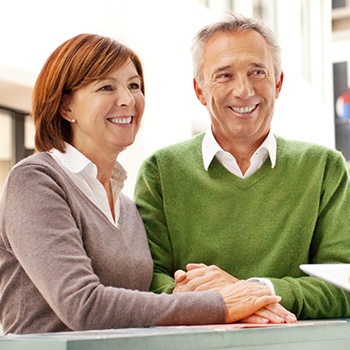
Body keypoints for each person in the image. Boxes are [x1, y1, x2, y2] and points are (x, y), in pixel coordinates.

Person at [0, 33, 285, 335]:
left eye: (134, 85)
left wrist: (193, 295)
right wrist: (221, 304)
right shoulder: (35, 181)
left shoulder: (126, 206)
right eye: (106, 87)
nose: (127, 100)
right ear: (66, 107)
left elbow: (135, 304)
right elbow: (84, 305)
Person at [134, 13, 350, 321]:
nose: (244, 90)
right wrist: (229, 304)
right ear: (199, 91)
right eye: (224, 75)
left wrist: (250, 290)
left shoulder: (324, 168)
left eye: (257, 72)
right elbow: (151, 283)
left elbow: (343, 286)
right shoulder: (161, 171)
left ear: (278, 82)